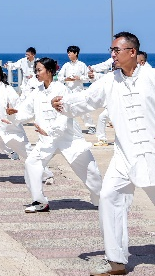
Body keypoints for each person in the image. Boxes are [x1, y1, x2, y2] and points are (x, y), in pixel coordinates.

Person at [53, 32, 155, 276]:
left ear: (132, 52)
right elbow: (86, 99)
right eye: (111, 50)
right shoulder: (109, 81)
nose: (112, 55)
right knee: (109, 197)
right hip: (124, 156)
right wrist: (63, 104)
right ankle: (115, 260)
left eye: (116, 50)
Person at [16, 57, 100, 213]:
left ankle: (102, 199)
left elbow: (64, 115)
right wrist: (13, 114)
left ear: (49, 71)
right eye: (35, 70)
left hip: (69, 139)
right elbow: (25, 110)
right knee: (31, 163)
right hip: (47, 140)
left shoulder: (61, 89)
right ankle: (40, 202)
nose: (36, 73)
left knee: (90, 171)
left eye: (39, 70)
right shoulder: (37, 91)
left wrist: (49, 130)